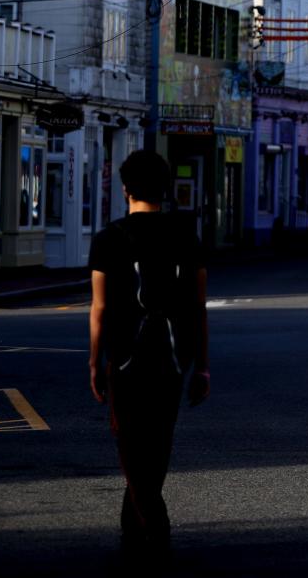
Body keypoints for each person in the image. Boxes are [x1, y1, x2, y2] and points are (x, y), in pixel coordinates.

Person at [87, 150, 209, 557]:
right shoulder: (185, 235)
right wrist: (203, 366)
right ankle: (138, 528)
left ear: (125, 190)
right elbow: (197, 304)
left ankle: (153, 525)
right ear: (166, 188)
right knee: (157, 442)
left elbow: (99, 308)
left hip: (124, 357)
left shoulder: (109, 238)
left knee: (129, 441)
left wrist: (94, 361)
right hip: (174, 358)